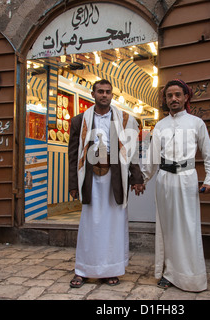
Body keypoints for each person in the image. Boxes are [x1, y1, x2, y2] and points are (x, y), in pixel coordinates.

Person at [142, 79, 210, 292]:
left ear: (186, 97)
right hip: (164, 179)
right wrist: (143, 179)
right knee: (166, 228)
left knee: (188, 226)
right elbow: (152, 158)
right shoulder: (160, 125)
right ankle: (168, 273)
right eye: (169, 96)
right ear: (165, 100)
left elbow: (208, 155)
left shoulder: (196, 123)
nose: (173, 99)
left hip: (187, 178)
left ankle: (191, 276)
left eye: (177, 95)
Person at [68, 79, 145, 288]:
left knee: (114, 224)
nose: (104, 95)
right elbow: (73, 155)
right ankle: (83, 270)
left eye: (108, 92)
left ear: (112, 95)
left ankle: (111, 270)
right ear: (92, 94)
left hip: (116, 177)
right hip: (90, 176)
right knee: (89, 225)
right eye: (100, 91)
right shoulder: (79, 121)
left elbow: (131, 152)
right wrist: (73, 184)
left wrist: (136, 178)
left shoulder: (125, 119)